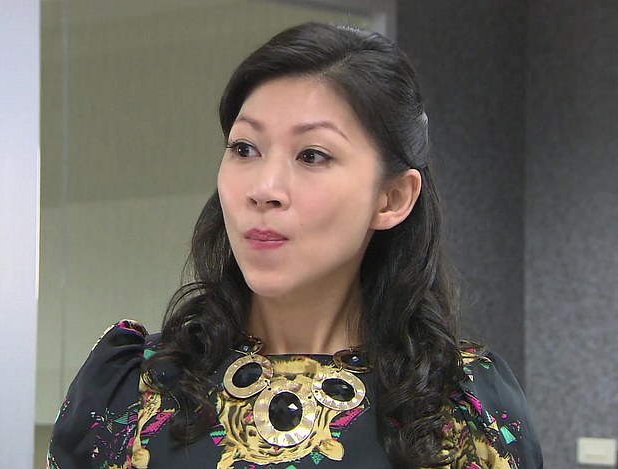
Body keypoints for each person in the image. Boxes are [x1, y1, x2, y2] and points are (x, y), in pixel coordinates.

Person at [47, 22, 543, 469]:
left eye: (312, 155)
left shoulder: (463, 407)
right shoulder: (132, 391)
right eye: (245, 149)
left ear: (392, 198)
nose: (264, 189)